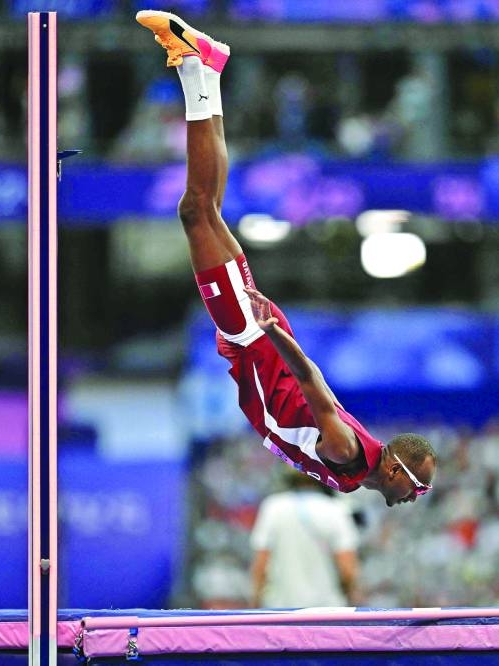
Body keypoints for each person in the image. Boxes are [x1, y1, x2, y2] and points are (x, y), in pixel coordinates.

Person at [136, 10, 437, 506]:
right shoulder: (346, 453)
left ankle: (206, 69)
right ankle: (195, 69)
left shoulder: (352, 473)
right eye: (417, 484)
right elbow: (311, 383)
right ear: (395, 468)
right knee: (195, 212)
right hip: (258, 339)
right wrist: (272, 333)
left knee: (206, 212)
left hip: (258, 346)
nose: (416, 495)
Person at [250, 473, 360, 608]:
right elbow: (347, 570)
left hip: (281, 610)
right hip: (327, 611)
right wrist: (350, 597)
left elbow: (261, 564)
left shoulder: (273, 507)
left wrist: (255, 600)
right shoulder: (336, 510)